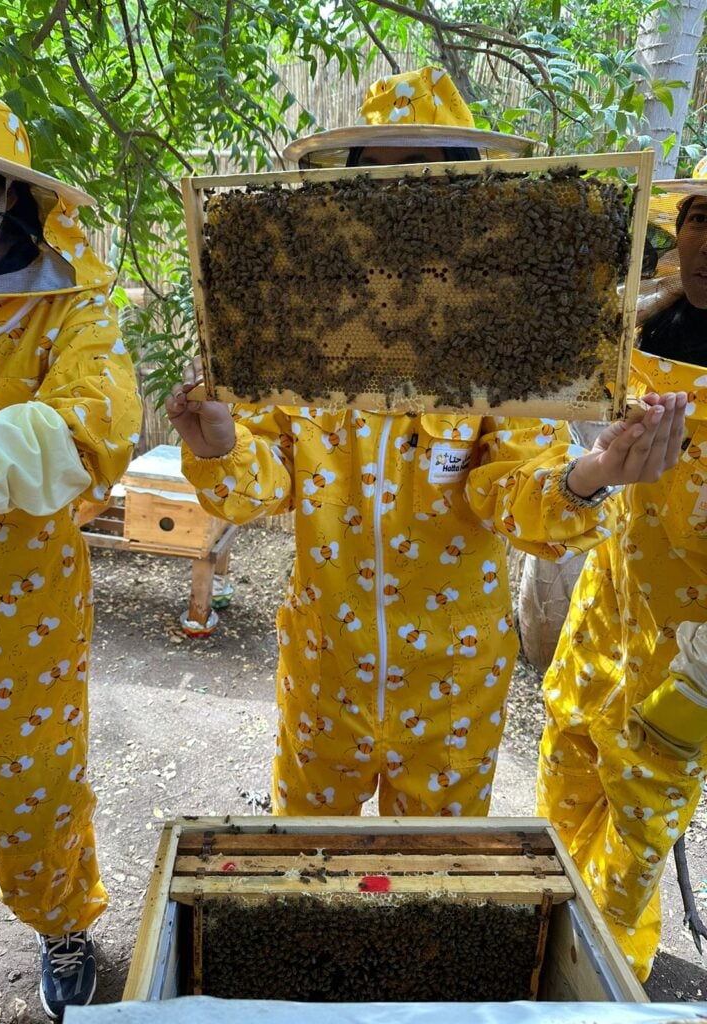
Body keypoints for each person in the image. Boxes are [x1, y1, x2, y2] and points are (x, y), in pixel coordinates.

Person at [167, 66, 685, 821]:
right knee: (313, 863)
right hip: (325, 672)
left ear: (472, 197)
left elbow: (514, 490)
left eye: (427, 181)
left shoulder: (503, 336)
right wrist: (218, 443)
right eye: (379, 182)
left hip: (454, 682)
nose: (401, 204)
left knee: (433, 881)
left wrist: (590, 474)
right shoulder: (305, 334)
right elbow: (265, 483)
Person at [0, 85, 141, 1017]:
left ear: (0, 197)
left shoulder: (73, 316)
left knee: (35, 806)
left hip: (16, 637)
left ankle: (64, 927)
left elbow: (89, 434)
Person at [536, 168, 707, 981]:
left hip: (690, 657)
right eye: (701, 218)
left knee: (634, 841)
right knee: (563, 782)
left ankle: (597, 985)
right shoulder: (642, 327)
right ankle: (540, 956)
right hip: (607, 609)